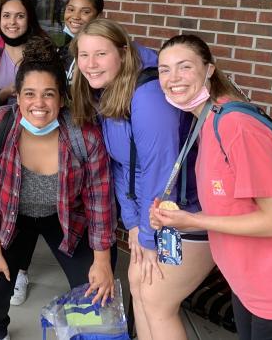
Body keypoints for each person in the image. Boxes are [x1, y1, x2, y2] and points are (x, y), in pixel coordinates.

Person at [150, 34, 272, 340]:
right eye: (164, 69)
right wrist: (176, 216)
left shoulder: (237, 126)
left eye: (184, 67)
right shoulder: (205, 123)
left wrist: (193, 221)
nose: (173, 79)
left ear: (209, 69)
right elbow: (231, 206)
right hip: (250, 286)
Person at [69, 18, 212, 340]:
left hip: (186, 213)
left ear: (123, 52)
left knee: (155, 299)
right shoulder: (110, 90)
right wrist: (133, 222)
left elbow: (161, 172)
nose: (90, 65)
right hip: (154, 215)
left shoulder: (146, 96)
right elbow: (122, 164)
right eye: (83, 55)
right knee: (140, 286)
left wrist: (147, 234)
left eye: (100, 54)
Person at [0, 37, 115, 340]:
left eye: (49, 94)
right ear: (18, 97)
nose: (39, 104)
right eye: (30, 94)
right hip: (12, 217)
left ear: (62, 99)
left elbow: (99, 199)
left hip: (63, 218)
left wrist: (102, 262)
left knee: (95, 287)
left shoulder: (83, 135)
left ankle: (82, 330)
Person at [0, 0, 48, 303]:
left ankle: (21, 270)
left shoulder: (43, 51)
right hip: (1, 135)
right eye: (6, 16)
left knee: (29, 204)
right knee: (6, 202)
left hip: (37, 135)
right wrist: (5, 91)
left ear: (29, 18)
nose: (12, 22)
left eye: (19, 15)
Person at [59, 0, 104, 82]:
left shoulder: (102, 53)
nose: (75, 17)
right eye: (71, 10)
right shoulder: (63, 51)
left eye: (85, 12)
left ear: (98, 16)